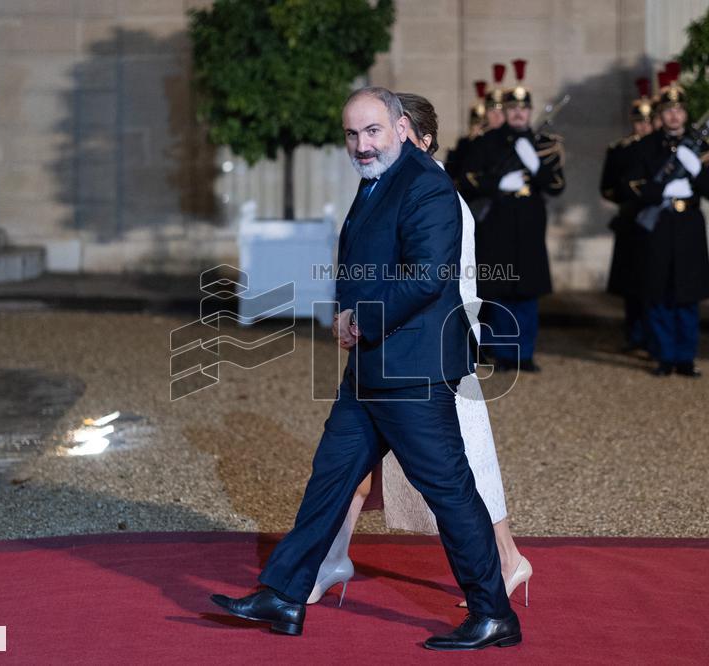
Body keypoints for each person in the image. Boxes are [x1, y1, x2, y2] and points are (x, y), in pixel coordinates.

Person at [209, 87, 522, 651]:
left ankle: (492, 612)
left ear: (401, 127)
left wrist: (361, 320)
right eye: (352, 134)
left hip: (412, 371)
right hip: (372, 369)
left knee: (449, 491)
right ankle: (283, 594)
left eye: (373, 131)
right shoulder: (379, 180)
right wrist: (344, 316)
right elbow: (362, 262)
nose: (362, 144)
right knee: (330, 477)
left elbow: (429, 276)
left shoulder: (427, 185)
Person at [309, 92, 532, 612]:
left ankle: (504, 565)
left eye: (392, 132)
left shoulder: (434, 194)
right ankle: (330, 558)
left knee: (460, 473)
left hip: (432, 357)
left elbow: (447, 282)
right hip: (392, 353)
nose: (374, 144)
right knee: (357, 467)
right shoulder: (389, 189)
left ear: (419, 137)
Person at [461, 58, 566, 373]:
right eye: (513, 108)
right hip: (498, 224)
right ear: (504, 111)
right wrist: (497, 184)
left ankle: (526, 353)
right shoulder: (486, 142)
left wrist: (534, 166)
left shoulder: (543, 144)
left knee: (528, 291)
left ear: (530, 111)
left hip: (530, 224)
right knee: (501, 289)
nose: (519, 113)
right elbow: (467, 180)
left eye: (524, 108)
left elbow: (557, 185)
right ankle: (504, 352)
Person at [618, 63, 709, 377]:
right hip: (658, 225)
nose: (674, 116)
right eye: (668, 110)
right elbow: (629, 187)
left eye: (679, 110)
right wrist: (661, 187)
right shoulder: (644, 147)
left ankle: (685, 357)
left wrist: (696, 169)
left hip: (688, 223)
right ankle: (664, 356)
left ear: (686, 114)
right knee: (658, 292)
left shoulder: (702, 149)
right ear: (659, 115)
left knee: (687, 294)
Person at [604, 77, 655, 351]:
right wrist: (630, 195)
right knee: (630, 284)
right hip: (630, 221)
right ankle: (634, 334)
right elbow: (608, 187)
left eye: (648, 121)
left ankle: (651, 335)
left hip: (656, 220)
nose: (644, 126)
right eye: (639, 121)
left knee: (652, 283)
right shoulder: (620, 150)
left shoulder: (661, 149)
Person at [444, 80, 488, 185]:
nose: (479, 128)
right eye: (476, 123)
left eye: (483, 125)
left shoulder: (489, 142)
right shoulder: (464, 143)